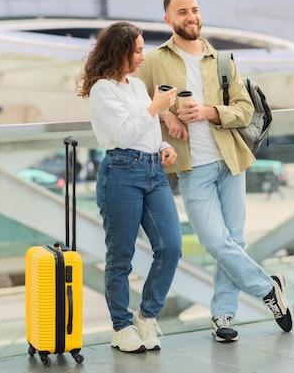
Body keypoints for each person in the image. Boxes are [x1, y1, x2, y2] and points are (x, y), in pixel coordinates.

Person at [137, 0, 294, 342]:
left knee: (233, 241)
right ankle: (269, 289)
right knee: (215, 242)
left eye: (194, 9)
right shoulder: (155, 61)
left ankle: (223, 315)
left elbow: (244, 110)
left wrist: (209, 112)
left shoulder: (221, 60)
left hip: (231, 160)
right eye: (182, 12)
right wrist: (166, 119)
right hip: (193, 169)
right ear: (168, 19)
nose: (190, 17)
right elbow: (139, 104)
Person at [75, 21, 183, 353]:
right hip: (121, 172)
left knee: (171, 247)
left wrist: (162, 143)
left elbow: (144, 127)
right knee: (121, 256)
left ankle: (147, 316)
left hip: (152, 169)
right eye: (136, 50)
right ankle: (121, 327)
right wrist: (156, 107)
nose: (142, 56)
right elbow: (122, 134)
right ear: (120, 51)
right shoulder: (103, 90)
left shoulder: (136, 86)